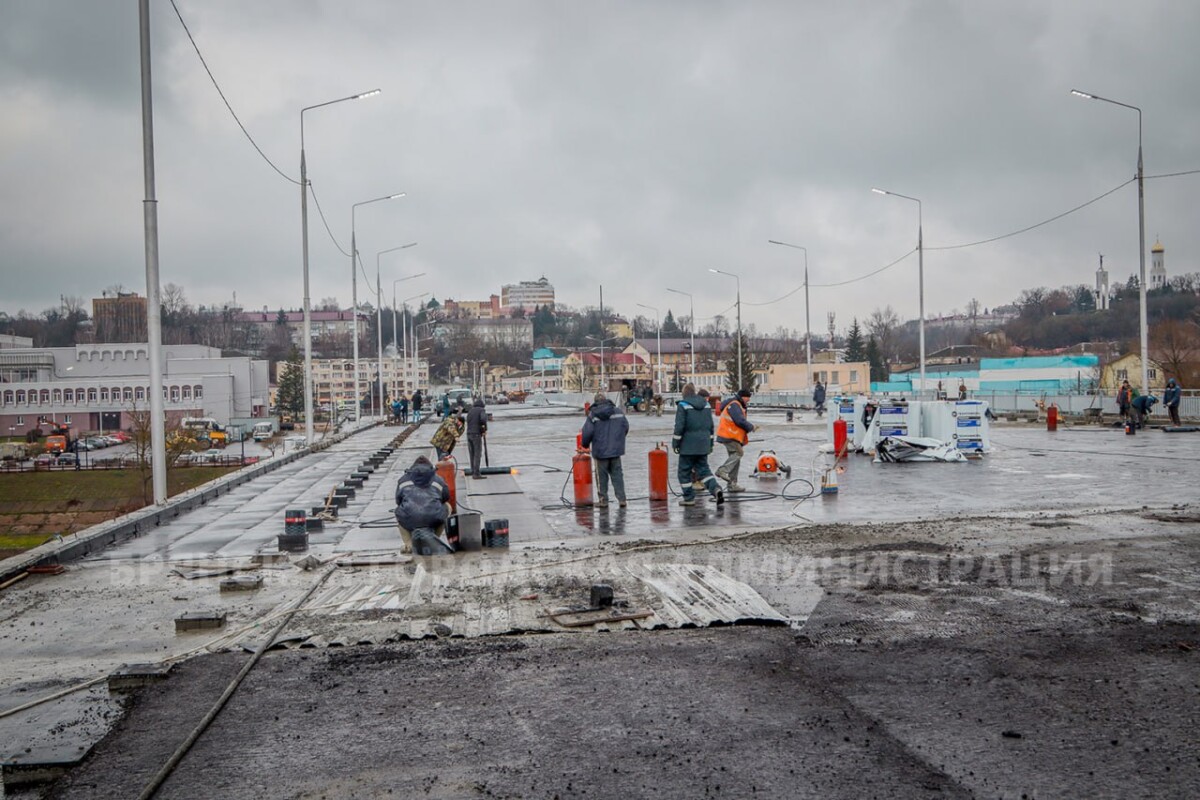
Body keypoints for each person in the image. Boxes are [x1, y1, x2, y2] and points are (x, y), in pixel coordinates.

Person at [672, 383, 723, 507]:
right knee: (704, 470)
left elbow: (679, 427)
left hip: (688, 446)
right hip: (703, 444)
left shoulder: (683, 405)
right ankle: (715, 489)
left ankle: (689, 498)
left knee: (684, 472)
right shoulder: (706, 405)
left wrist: (675, 443)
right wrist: (710, 443)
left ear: (684, 394)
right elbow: (710, 426)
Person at [393, 455, 452, 554]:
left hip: (409, 518)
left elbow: (398, 501)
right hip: (433, 518)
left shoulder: (403, 480)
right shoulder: (438, 479)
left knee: (399, 510)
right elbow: (446, 497)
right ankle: (433, 539)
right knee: (447, 507)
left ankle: (409, 544)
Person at [581, 392, 629, 508]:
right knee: (617, 475)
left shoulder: (593, 415)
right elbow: (625, 427)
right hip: (616, 451)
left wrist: (585, 445)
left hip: (600, 451)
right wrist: (618, 440)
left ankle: (603, 500)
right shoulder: (618, 411)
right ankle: (622, 499)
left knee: (601, 477)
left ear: (596, 401)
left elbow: (587, 433)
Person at [715, 389, 755, 493]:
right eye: (748, 397)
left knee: (735, 459)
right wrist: (751, 427)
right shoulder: (735, 405)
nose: (749, 400)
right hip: (729, 435)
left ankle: (732, 484)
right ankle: (722, 470)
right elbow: (739, 420)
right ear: (743, 397)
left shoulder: (735, 404)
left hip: (730, 435)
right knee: (738, 453)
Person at [466, 397, 488, 478]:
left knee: (472, 454)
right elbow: (483, 420)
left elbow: (468, 421)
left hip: (468, 434)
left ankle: (473, 471)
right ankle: (476, 473)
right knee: (477, 454)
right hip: (476, 434)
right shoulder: (481, 410)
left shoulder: (470, 411)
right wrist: (484, 430)